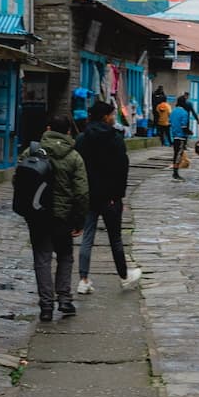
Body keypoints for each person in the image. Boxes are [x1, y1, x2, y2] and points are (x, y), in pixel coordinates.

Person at [19, 114, 88, 322]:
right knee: (65, 256)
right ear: (68, 131)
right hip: (63, 217)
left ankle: (46, 306)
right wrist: (79, 220)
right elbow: (82, 192)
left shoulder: (31, 151)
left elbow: (19, 182)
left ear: (48, 128)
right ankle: (65, 299)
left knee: (42, 259)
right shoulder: (74, 157)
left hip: (38, 216)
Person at [75, 100, 142, 295]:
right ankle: (124, 276)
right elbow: (122, 169)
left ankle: (83, 279)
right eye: (112, 115)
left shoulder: (81, 139)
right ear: (105, 117)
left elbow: (78, 169)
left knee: (87, 237)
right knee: (115, 239)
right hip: (110, 198)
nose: (114, 118)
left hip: (88, 195)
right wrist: (117, 195)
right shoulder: (115, 139)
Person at [169, 96, 192, 182]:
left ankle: (175, 172)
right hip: (181, 136)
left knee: (175, 154)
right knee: (178, 155)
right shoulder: (184, 113)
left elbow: (170, 123)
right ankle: (175, 173)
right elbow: (184, 126)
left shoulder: (173, 112)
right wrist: (189, 132)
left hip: (174, 136)